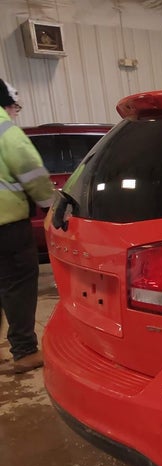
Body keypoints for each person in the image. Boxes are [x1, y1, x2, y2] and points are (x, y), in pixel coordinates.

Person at [0, 78, 55, 373]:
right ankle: (23, 352)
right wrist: (50, 206)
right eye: (14, 105)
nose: (15, 111)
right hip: (6, 226)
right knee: (18, 284)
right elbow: (31, 171)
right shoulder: (6, 131)